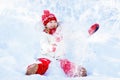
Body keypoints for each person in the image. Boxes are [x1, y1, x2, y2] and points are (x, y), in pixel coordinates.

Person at [25, 10, 87, 77]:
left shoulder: (61, 32)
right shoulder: (44, 35)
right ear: (45, 25)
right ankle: (34, 68)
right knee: (44, 64)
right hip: (47, 56)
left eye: (55, 22)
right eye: (50, 22)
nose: (53, 24)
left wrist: (85, 34)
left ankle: (76, 71)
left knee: (66, 64)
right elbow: (44, 45)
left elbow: (72, 36)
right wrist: (50, 47)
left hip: (60, 57)